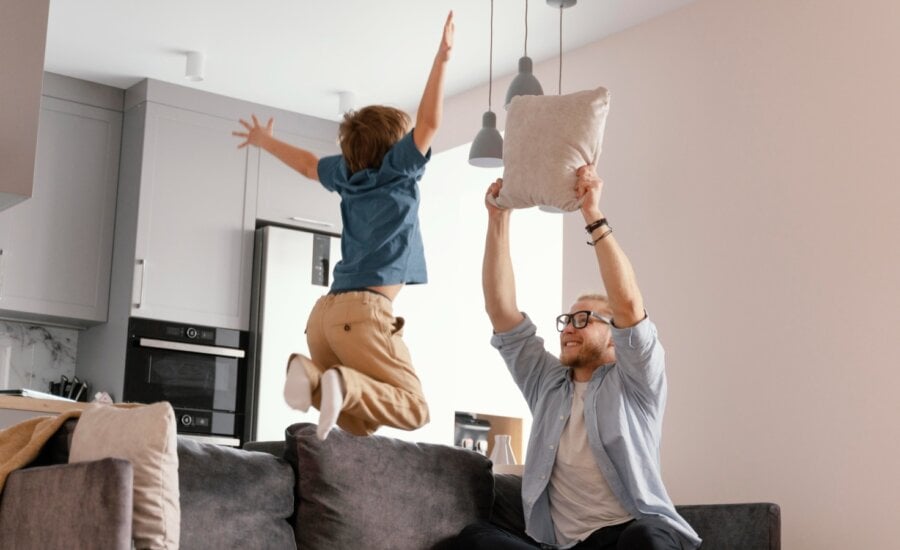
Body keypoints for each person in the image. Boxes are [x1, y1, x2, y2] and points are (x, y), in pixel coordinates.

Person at [232, 12, 454, 440]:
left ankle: (316, 379)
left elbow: (307, 165)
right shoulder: (399, 171)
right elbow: (428, 122)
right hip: (364, 316)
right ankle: (332, 381)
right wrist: (441, 59)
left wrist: (266, 141)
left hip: (326, 318)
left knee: (358, 423)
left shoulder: (348, 174)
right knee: (414, 408)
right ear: (398, 147)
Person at [456, 165, 701, 549]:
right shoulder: (547, 384)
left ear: (614, 337)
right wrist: (498, 219)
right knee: (475, 539)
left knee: (648, 537)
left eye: (584, 319)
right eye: (567, 319)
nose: (569, 327)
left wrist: (592, 214)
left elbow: (629, 303)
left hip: (627, 536)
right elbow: (502, 312)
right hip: (564, 546)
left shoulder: (636, 381)